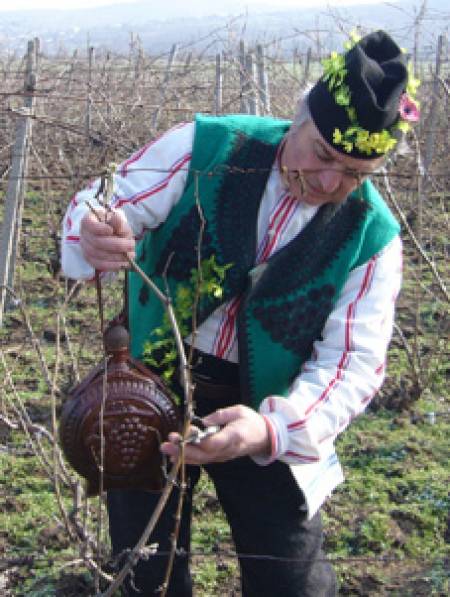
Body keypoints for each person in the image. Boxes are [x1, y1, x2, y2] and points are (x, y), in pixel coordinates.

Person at [61, 30, 419, 597]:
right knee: (144, 568)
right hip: (151, 386)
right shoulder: (206, 146)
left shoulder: (372, 238)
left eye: (354, 174)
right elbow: (108, 196)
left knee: (290, 579)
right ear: (297, 118)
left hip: (272, 405)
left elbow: (353, 363)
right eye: (323, 156)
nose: (329, 183)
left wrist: (270, 429)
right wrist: (94, 229)